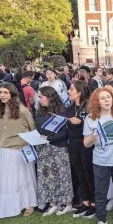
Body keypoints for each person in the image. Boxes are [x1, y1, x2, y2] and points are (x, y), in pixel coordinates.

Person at [83, 88, 113, 224]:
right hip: (101, 162)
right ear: (97, 102)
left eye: (109, 97)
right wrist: (91, 139)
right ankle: (102, 221)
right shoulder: (90, 118)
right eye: (103, 98)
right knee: (100, 194)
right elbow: (86, 144)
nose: (107, 100)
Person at [0, 83, 37, 218]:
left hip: (21, 150)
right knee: (9, 180)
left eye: (5, 92)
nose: (2, 95)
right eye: (0, 92)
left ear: (12, 94)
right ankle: (14, 205)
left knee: (24, 178)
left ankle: (29, 203)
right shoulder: (0, 110)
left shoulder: (23, 110)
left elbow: (33, 129)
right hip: (5, 149)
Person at [35, 86, 73, 216]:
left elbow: (66, 132)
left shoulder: (62, 111)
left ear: (50, 97)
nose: (39, 99)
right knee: (48, 176)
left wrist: (49, 138)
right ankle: (52, 202)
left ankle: (65, 202)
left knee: (61, 176)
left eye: (41, 97)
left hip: (59, 147)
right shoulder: (40, 111)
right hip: (44, 148)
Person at [67, 80, 95, 218]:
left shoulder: (89, 107)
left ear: (79, 92)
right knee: (80, 175)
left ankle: (95, 203)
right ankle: (85, 202)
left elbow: (95, 124)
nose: (68, 91)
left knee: (89, 175)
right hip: (73, 145)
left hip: (86, 144)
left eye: (71, 89)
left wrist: (82, 122)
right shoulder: (70, 107)